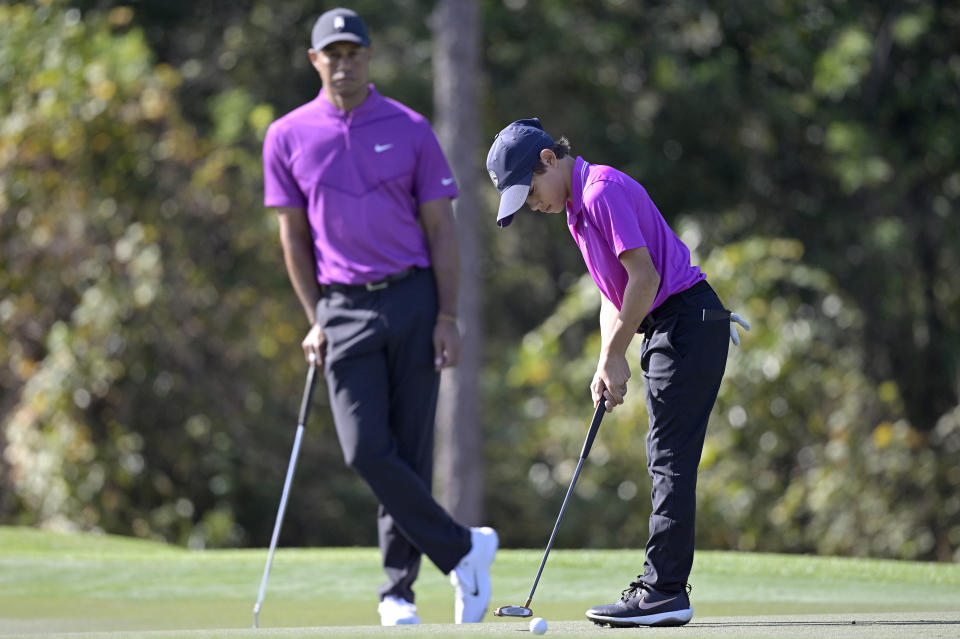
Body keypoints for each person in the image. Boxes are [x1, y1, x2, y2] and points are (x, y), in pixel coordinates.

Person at [262, 7, 497, 626]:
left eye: (353, 53)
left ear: (369, 58)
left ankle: (399, 592)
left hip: (413, 297)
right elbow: (292, 237)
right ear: (315, 61)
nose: (344, 64)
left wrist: (448, 315)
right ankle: (464, 550)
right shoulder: (287, 135)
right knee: (366, 449)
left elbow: (441, 230)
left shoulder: (411, 127)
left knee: (410, 452)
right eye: (331, 54)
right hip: (341, 305)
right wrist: (315, 316)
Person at [485, 118, 748, 627]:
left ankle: (664, 591)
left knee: (668, 458)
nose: (533, 204)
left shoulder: (600, 190)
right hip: (671, 325)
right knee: (664, 456)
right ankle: (664, 587)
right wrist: (609, 359)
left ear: (547, 160)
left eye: (531, 191)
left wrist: (615, 354)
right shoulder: (577, 211)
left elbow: (646, 278)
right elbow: (616, 292)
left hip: (688, 321)